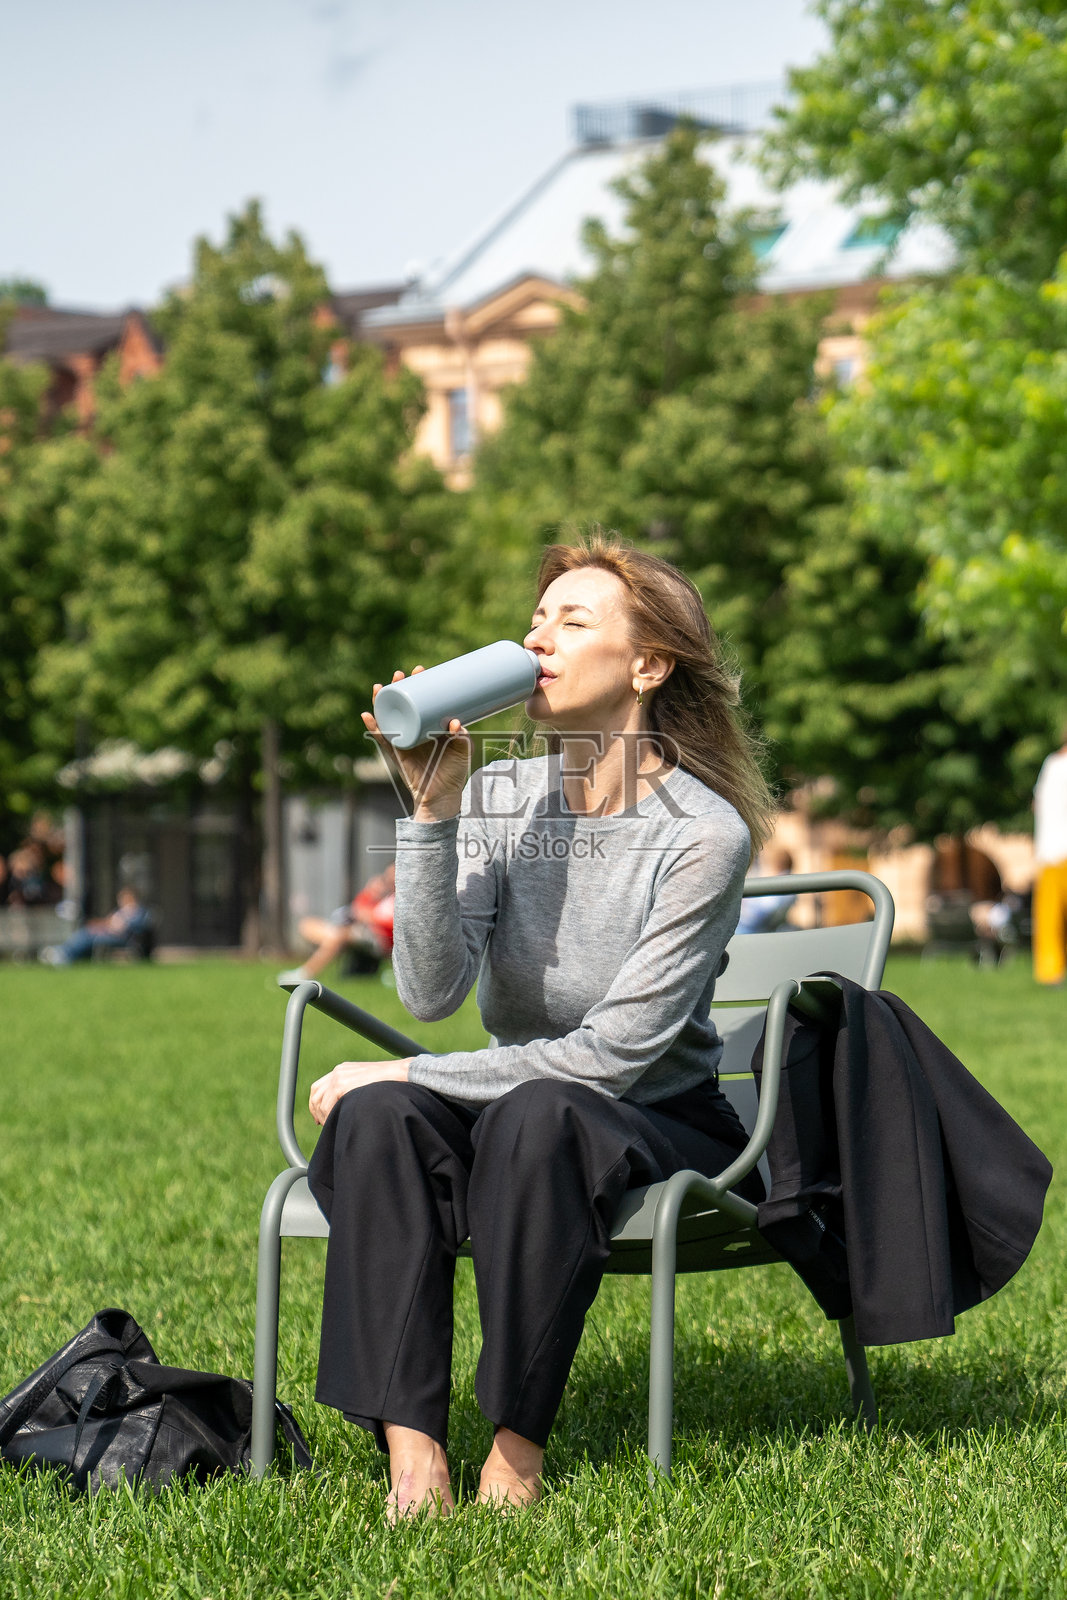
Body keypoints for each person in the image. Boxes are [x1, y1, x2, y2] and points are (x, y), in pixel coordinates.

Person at [304, 531, 774, 1518]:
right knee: (375, 1124)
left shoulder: (701, 834)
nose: (538, 639)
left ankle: (515, 1449)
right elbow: (428, 991)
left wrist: (408, 1073)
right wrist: (432, 811)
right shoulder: (506, 795)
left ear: (645, 665)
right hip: (524, 1100)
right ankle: (414, 1455)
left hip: (650, 1116)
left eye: (572, 619)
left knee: (529, 1113)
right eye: (535, 620)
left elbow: (613, 1056)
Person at [278, 863, 395, 985]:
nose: (390, 879)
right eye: (388, 875)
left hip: (379, 939)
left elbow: (389, 923)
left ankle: (304, 974)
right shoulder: (382, 895)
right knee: (307, 924)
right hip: (354, 928)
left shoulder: (398, 900)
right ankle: (330, 939)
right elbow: (357, 907)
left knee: (339, 935)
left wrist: (368, 916)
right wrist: (371, 893)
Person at [1033, 728, 1067, 985]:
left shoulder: (1050, 765)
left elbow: (1037, 804)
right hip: (1057, 851)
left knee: (1049, 918)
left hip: (1049, 852)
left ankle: (1050, 972)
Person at [39, 887, 151, 965]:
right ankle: (64, 951)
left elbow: (121, 927)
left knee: (87, 936)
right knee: (85, 932)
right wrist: (98, 924)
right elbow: (109, 922)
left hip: (121, 938)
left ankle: (65, 954)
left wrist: (104, 926)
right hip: (109, 933)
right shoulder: (121, 911)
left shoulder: (137, 912)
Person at [735, 847, 796, 934]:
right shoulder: (787, 881)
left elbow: (759, 916)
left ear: (776, 866)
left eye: (764, 864)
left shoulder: (781, 885)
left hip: (753, 930)